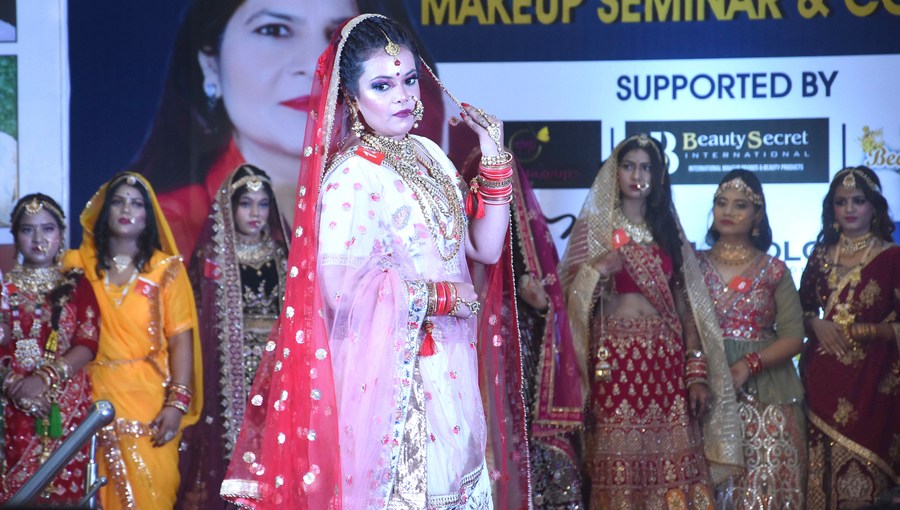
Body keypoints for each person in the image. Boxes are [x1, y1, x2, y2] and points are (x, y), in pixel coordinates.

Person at [220, 14, 515, 509]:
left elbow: (483, 248)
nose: (402, 96)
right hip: (394, 386)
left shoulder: (429, 155)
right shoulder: (351, 178)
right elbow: (340, 292)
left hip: (451, 369)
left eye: (409, 80)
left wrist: (493, 157)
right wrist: (441, 297)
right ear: (352, 99)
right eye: (382, 85)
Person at [131, 0, 443, 262]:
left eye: (338, 35)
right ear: (210, 63)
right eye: (275, 30)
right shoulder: (163, 227)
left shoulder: (421, 177)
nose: (313, 64)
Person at [558, 134, 743, 509]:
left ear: (657, 176)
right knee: (618, 452)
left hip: (665, 360)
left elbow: (685, 304)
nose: (636, 175)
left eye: (646, 168)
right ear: (615, 172)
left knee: (672, 456)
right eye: (628, 166)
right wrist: (597, 270)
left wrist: (695, 372)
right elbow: (567, 298)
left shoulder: (667, 230)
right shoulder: (595, 229)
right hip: (615, 360)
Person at [62, 172, 203, 509]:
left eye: (136, 203)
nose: (127, 209)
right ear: (104, 210)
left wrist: (176, 404)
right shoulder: (76, 264)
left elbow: (180, 340)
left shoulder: (165, 270)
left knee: (153, 490)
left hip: (149, 402)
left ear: (147, 215)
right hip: (87, 398)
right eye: (118, 201)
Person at [177, 164, 288, 509]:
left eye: (263, 204)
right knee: (229, 440)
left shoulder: (283, 255)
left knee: (273, 442)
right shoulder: (212, 259)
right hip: (226, 368)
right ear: (229, 206)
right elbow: (197, 317)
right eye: (246, 204)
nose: (256, 213)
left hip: (275, 367)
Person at [696, 170, 807, 508]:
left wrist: (748, 365)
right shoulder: (693, 266)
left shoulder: (774, 270)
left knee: (764, 490)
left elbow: (794, 336)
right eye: (721, 203)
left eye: (740, 205)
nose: (728, 211)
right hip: (705, 391)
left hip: (766, 395)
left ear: (757, 215)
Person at [799, 165, 899, 509]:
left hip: (871, 388)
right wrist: (815, 325)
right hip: (819, 384)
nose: (850, 208)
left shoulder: (892, 257)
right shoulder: (820, 256)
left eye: (858, 200)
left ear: (875, 207)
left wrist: (871, 330)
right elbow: (800, 312)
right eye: (841, 202)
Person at [0, 194, 99, 504]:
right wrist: (13, 385)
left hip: (66, 405)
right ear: (15, 237)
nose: (38, 239)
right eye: (28, 230)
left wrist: (44, 379)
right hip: (9, 406)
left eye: (48, 229)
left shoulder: (76, 285)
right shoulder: (3, 288)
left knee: (64, 494)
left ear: (61, 235)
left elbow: (88, 343)